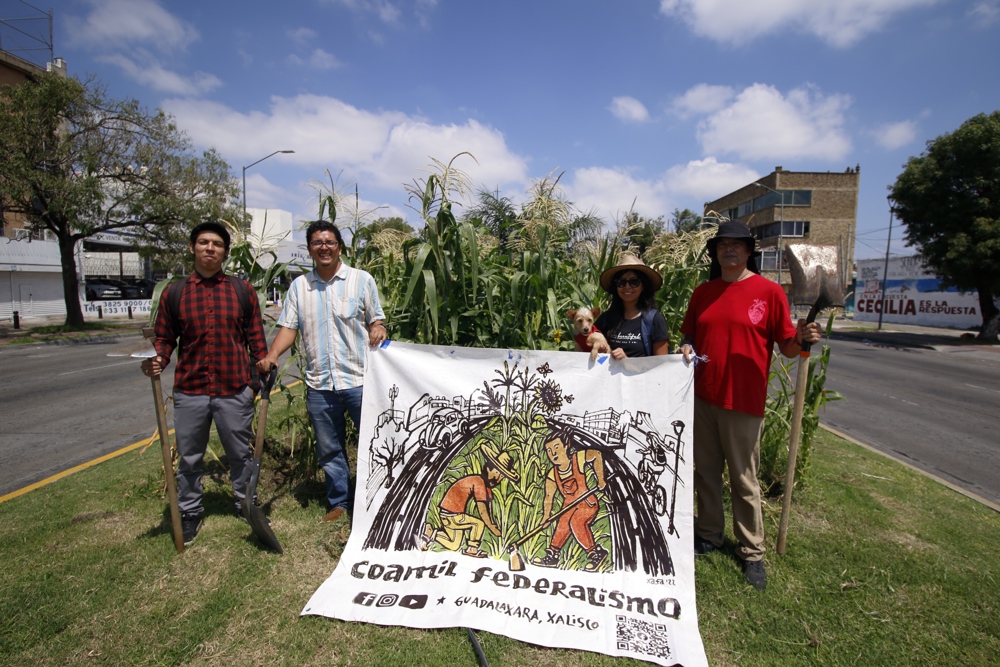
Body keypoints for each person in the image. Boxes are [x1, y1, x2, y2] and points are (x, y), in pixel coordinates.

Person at [678, 220, 821, 591]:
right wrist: (687, 347)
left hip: (743, 401)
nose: (729, 249)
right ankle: (709, 534)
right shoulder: (703, 293)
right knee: (706, 473)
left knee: (743, 478)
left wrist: (804, 339)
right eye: (723, 244)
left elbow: (788, 346)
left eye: (737, 245)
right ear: (716, 252)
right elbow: (690, 335)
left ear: (748, 252)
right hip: (703, 397)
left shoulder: (769, 292)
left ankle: (752, 551)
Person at [142, 221, 268, 545]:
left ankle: (245, 502)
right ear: (192, 248)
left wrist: (255, 382)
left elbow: (257, 341)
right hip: (190, 390)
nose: (210, 248)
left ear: (225, 252)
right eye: (203, 242)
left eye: (216, 244)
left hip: (233, 389)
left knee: (240, 454)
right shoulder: (176, 292)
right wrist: (158, 358)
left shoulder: (242, 291)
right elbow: (164, 338)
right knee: (189, 457)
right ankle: (189, 511)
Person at [258, 220, 386, 523]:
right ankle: (339, 501)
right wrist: (273, 354)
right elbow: (289, 327)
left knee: (374, 442)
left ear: (339, 247)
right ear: (310, 249)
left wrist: (378, 328)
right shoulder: (300, 287)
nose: (324, 247)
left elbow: (376, 320)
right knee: (329, 448)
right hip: (320, 385)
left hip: (358, 381)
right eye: (317, 243)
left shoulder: (361, 280)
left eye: (329, 242)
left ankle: (377, 499)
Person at [419, 446, 518, 558]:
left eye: (502, 476)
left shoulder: (487, 488)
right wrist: (491, 526)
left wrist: (493, 524)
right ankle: (472, 549)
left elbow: (488, 508)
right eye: (498, 473)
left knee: (454, 545)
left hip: (451, 515)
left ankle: (430, 533)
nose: (499, 478)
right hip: (451, 514)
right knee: (478, 523)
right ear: (489, 468)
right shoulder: (479, 482)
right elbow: (482, 510)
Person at [533, 428, 609, 572]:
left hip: (587, 503)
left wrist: (601, 479)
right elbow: (548, 497)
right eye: (548, 450)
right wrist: (546, 517)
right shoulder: (552, 474)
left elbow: (597, 455)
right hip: (568, 506)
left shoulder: (577, 458)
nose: (553, 453)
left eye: (556, 447)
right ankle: (552, 555)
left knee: (577, 521)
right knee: (562, 524)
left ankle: (595, 553)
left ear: (566, 445)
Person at [594, 254, 671, 359]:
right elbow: (587, 347)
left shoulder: (654, 320)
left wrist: (627, 362)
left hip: (641, 375)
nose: (627, 287)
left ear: (643, 286)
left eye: (634, 282)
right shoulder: (606, 319)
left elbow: (661, 365)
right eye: (621, 282)